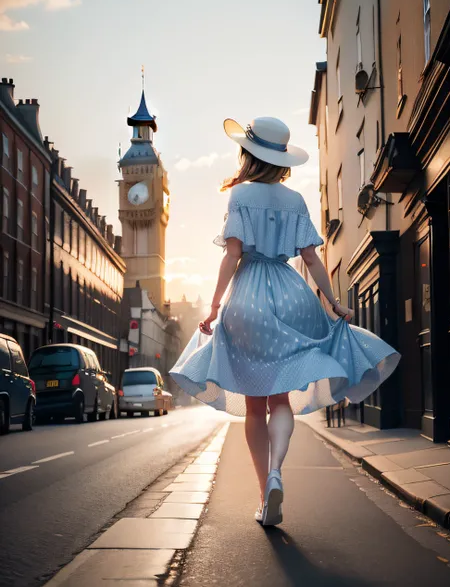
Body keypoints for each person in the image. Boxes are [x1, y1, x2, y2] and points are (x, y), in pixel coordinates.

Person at [170, 117, 400, 527]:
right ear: (281, 160)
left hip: (247, 302)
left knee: (255, 408)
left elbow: (232, 254)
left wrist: (214, 306)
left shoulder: (239, 194)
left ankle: (264, 494)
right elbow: (312, 259)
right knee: (280, 401)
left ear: (249, 154)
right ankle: (277, 471)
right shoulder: (294, 200)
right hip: (291, 294)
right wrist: (333, 304)